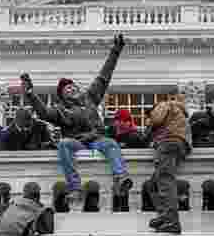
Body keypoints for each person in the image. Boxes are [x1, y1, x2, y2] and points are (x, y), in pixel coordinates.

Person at [21, 33, 132, 206]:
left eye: (73, 86)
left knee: (110, 143)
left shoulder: (90, 98)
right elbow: (43, 113)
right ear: (62, 95)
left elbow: (104, 76)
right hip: (77, 142)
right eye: (67, 89)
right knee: (64, 144)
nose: (71, 89)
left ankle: (120, 176)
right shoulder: (61, 110)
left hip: (96, 139)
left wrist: (115, 51)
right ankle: (74, 186)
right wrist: (30, 94)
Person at [144, 90, 190, 235]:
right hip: (179, 145)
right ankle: (164, 215)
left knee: (165, 180)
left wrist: (150, 122)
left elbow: (156, 119)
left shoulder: (165, 104)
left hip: (168, 142)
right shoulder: (181, 113)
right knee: (153, 183)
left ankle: (172, 220)